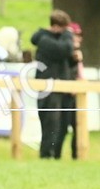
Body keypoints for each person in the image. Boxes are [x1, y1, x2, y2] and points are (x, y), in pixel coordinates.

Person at [31, 10, 75, 159]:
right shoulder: (45, 40)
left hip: (61, 88)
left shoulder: (55, 39)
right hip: (48, 89)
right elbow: (65, 49)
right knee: (51, 123)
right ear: (56, 27)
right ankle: (46, 154)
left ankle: (56, 154)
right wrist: (68, 35)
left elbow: (66, 58)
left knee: (62, 124)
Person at [59, 22, 84, 159]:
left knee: (78, 126)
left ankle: (77, 155)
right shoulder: (67, 53)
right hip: (67, 95)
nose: (79, 38)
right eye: (76, 35)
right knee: (63, 127)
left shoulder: (77, 54)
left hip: (77, 95)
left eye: (80, 35)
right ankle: (56, 155)